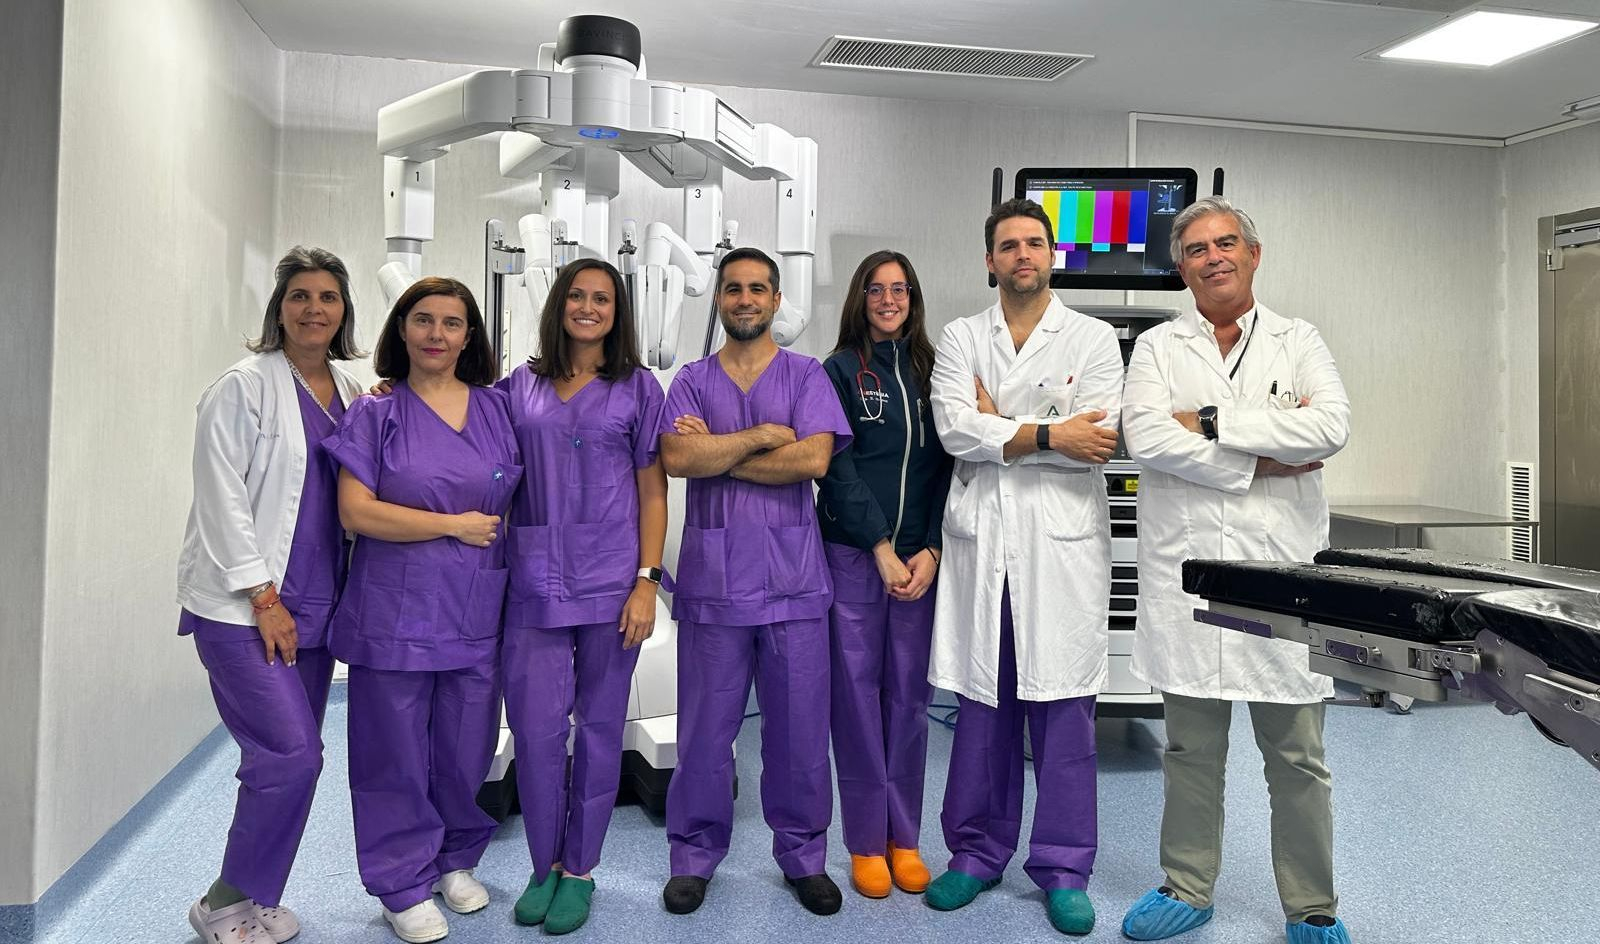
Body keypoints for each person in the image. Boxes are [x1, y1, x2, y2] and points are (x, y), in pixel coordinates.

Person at [1118, 196, 1353, 944]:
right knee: (1190, 750)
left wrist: (1214, 422)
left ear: (1254, 254)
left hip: (1279, 577)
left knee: (1297, 756)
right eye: (1196, 249)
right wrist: (1262, 463)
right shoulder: (1158, 347)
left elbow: (1330, 426)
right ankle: (1187, 888)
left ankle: (1312, 907)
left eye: (1227, 244)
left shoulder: (1299, 340)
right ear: (1180, 266)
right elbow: (1147, 436)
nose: (1214, 256)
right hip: (1188, 575)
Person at [924, 198, 1124, 935]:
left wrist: (998, 423)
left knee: (1064, 712)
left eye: (1034, 244)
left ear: (1052, 255)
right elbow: (953, 428)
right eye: (1008, 246)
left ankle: (1064, 866)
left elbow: (1099, 435)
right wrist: (1046, 430)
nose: (1022, 256)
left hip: (1059, 547)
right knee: (984, 708)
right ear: (989, 260)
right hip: (985, 545)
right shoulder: (959, 335)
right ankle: (975, 853)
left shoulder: (1094, 338)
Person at [323, 277, 523, 944]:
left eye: (453, 323)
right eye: (424, 320)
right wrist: (450, 526)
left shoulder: (498, 410)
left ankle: (454, 859)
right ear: (401, 330)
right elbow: (356, 512)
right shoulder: (376, 415)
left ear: (470, 336)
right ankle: (400, 883)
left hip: (477, 607)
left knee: (465, 745)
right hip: (397, 611)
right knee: (393, 753)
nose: (438, 334)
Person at [176, 246, 365, 944]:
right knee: (292, 757)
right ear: (278, 308)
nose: (314, 310)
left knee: (291, 759)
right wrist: (263, 597)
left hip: (315, 609)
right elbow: (221, 497)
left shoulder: (348, 389)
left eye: (328, 298)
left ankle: (255, 900)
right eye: (300, 297)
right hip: (245, 609)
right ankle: (221, 902)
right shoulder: (242, 385)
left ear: (344, 310)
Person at [657, 247, 852, 917]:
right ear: (718, 299)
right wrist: (764, 437)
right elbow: (679, 456)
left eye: (758, 289)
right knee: (705, 734)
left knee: (798, 734)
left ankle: (803, 856)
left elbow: (814, 457)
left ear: (775, 301)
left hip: (792, 584)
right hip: (713, 585)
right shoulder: (688, 379)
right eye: (734, 288)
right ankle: (693, 855)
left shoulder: (805, 375)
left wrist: (724, 453)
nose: (745, 299)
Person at [498, 258, 668, 934]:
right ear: (559, 305)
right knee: (537, 734)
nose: (589, 308)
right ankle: (542, 865)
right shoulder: (520, 387)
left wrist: (647, 582)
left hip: (612, 584)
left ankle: (581, 870)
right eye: (578, 296)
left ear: (617, 312)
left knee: (600, 732)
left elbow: (654, 491)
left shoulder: (637, 388)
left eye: (602, 298)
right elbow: (458, 419)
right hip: (533, 583)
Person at [816, 250, 952, 899]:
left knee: (910, 701)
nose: (889, 299)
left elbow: (944, 468)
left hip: (919, 563)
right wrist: (879, 545)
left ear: (913, 298)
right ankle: (867, 842)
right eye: (878, 289)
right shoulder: (839, 371)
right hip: (854, 556)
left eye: (900, 289)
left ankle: (906, 838)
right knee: (858, 701)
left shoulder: (933, 371)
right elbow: (835, 468)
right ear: (861, 298)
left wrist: (929, 548)